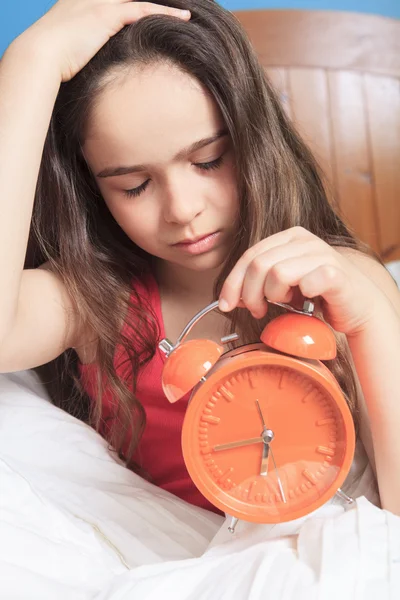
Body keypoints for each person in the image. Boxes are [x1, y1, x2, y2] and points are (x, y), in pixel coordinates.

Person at [0, 0, 399, 518]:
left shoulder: (344, 285)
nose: (183, 210)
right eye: (134, 186)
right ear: (92, 190)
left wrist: (368, 319)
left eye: (209, 160)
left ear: (257, 141)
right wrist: (32, 59)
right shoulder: (97, 300)